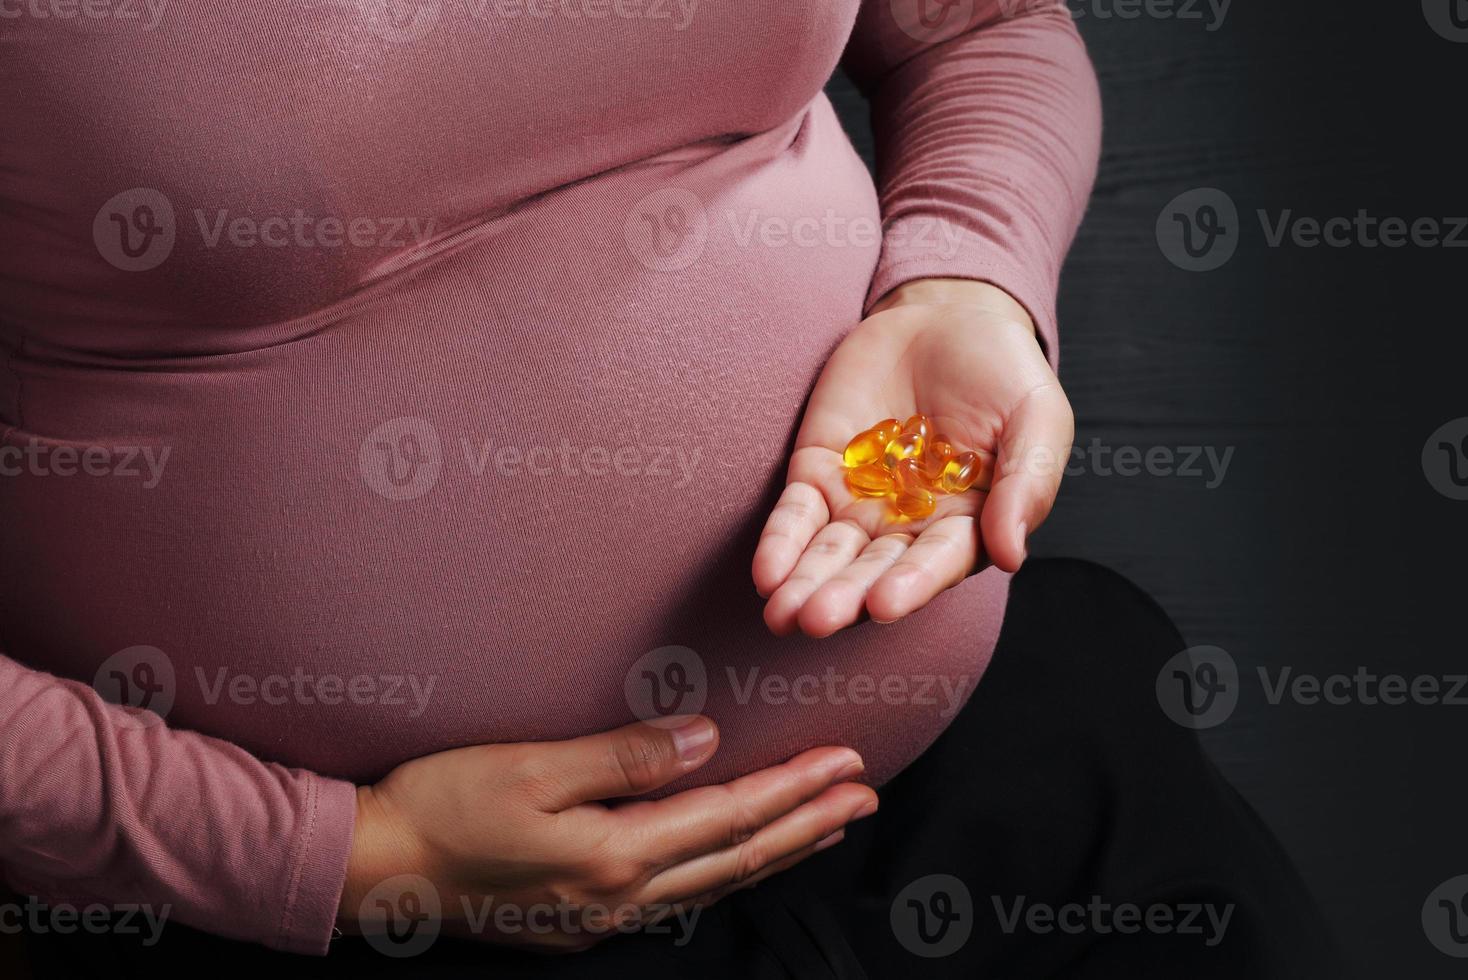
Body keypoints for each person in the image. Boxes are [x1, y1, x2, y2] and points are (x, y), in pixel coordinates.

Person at [3, 1, 1331, 975]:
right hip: (322, 905)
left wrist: (968, 280)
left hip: (987, 782)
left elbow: (978, 30)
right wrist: (341, 855)